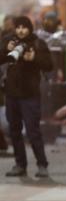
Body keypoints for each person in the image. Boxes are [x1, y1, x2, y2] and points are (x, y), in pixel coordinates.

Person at [1, 16, 53, 178]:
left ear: (29, 28)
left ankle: (42, 164)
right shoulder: (9, 41)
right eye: (18, 27)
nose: (21, 30)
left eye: (24, 27)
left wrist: (34, 59)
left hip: (30, 95)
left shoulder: (38, 43)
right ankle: (20, 164)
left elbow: (49, 65)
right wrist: (5, 51)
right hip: (12, 94)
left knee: (33, 131)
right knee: (14, 130)